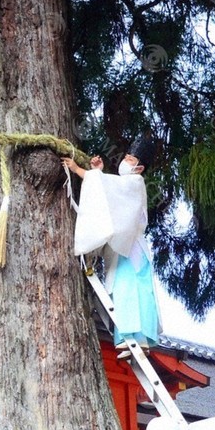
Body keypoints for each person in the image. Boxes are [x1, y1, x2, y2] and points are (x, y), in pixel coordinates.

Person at [62, 136, 161, 348]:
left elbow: (107, 187)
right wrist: (97, 171)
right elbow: (110, 190)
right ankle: (130, 339)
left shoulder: (135, 182)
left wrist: (79, 169)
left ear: (139, 167)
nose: (125, 160)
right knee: (124, 288)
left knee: (128, 287)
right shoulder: (128, 183)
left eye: (130, 159)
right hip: (128, 246)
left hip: (131, 248)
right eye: (126, 156)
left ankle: (133, 338)